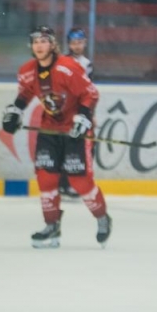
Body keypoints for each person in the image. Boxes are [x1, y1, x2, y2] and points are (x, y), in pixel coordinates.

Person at [2, 26, 112, 249]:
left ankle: (102, 217)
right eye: (35, 42)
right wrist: (16, 111)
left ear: (52, 44)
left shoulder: (68, 67)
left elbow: (90, 94)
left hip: (75, 131)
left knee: (79, 181)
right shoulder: (27, 70)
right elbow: (26, 93)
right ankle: (52, 226)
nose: (39, 46)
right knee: (46, 178)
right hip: (49, 130)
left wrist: (83, 118)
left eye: (43, 41)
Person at [59, 27, 93, 200]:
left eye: (80, 42)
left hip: (79, 110)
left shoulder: (87, 64)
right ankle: (62, 185)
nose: (77, 46)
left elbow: (88, 91)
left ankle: (71, 184)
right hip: (64, 110)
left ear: (85, 43)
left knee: (76, 148)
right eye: (74, 43)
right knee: (63, 147)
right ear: (69, 44)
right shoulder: (62, 61)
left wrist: (88, 113)